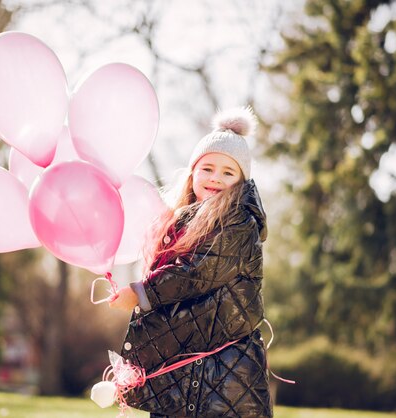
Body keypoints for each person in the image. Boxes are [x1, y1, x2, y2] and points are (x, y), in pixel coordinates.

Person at [109, 106, 273, 417]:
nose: (215, 178)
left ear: (240, 181)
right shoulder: (181, 222)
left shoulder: (238, 224)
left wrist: (143, 293)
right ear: (193, 172)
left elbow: (195, 273)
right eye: (207, 168)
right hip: (186, 366)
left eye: (228, 172)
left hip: (226, 371)